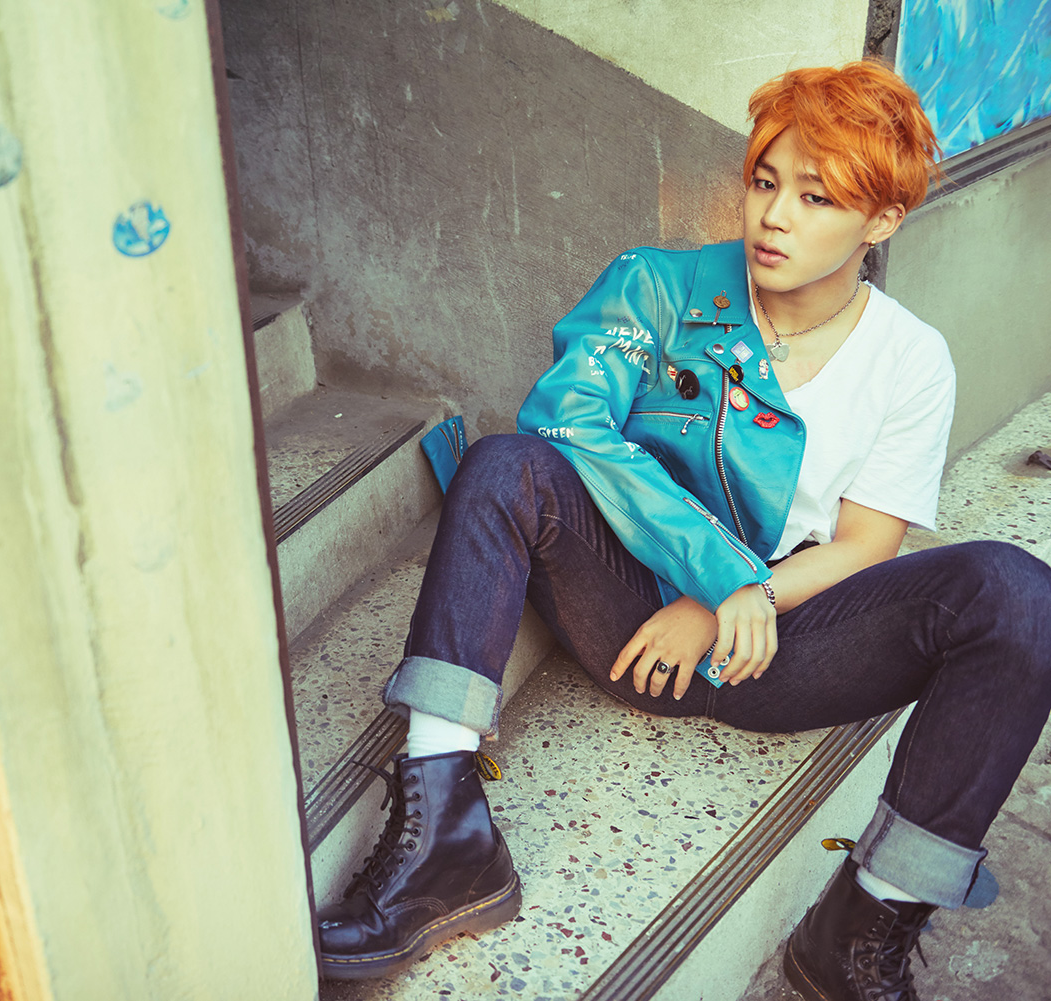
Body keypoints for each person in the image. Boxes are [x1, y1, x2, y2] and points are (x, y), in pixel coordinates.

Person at [314, 60, 1051, 1001]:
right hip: (623, 613)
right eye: (765, 181)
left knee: (1018, 594)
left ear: (881, 221)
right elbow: (568, 422)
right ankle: (443, 837)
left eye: (817, 197)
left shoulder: (911, 358)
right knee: (504, 462)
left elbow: (867, 546)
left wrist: (736, 599)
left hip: (780, 639)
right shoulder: (656, 288)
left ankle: (866, 923)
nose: (774, 217)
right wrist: (714, 575)